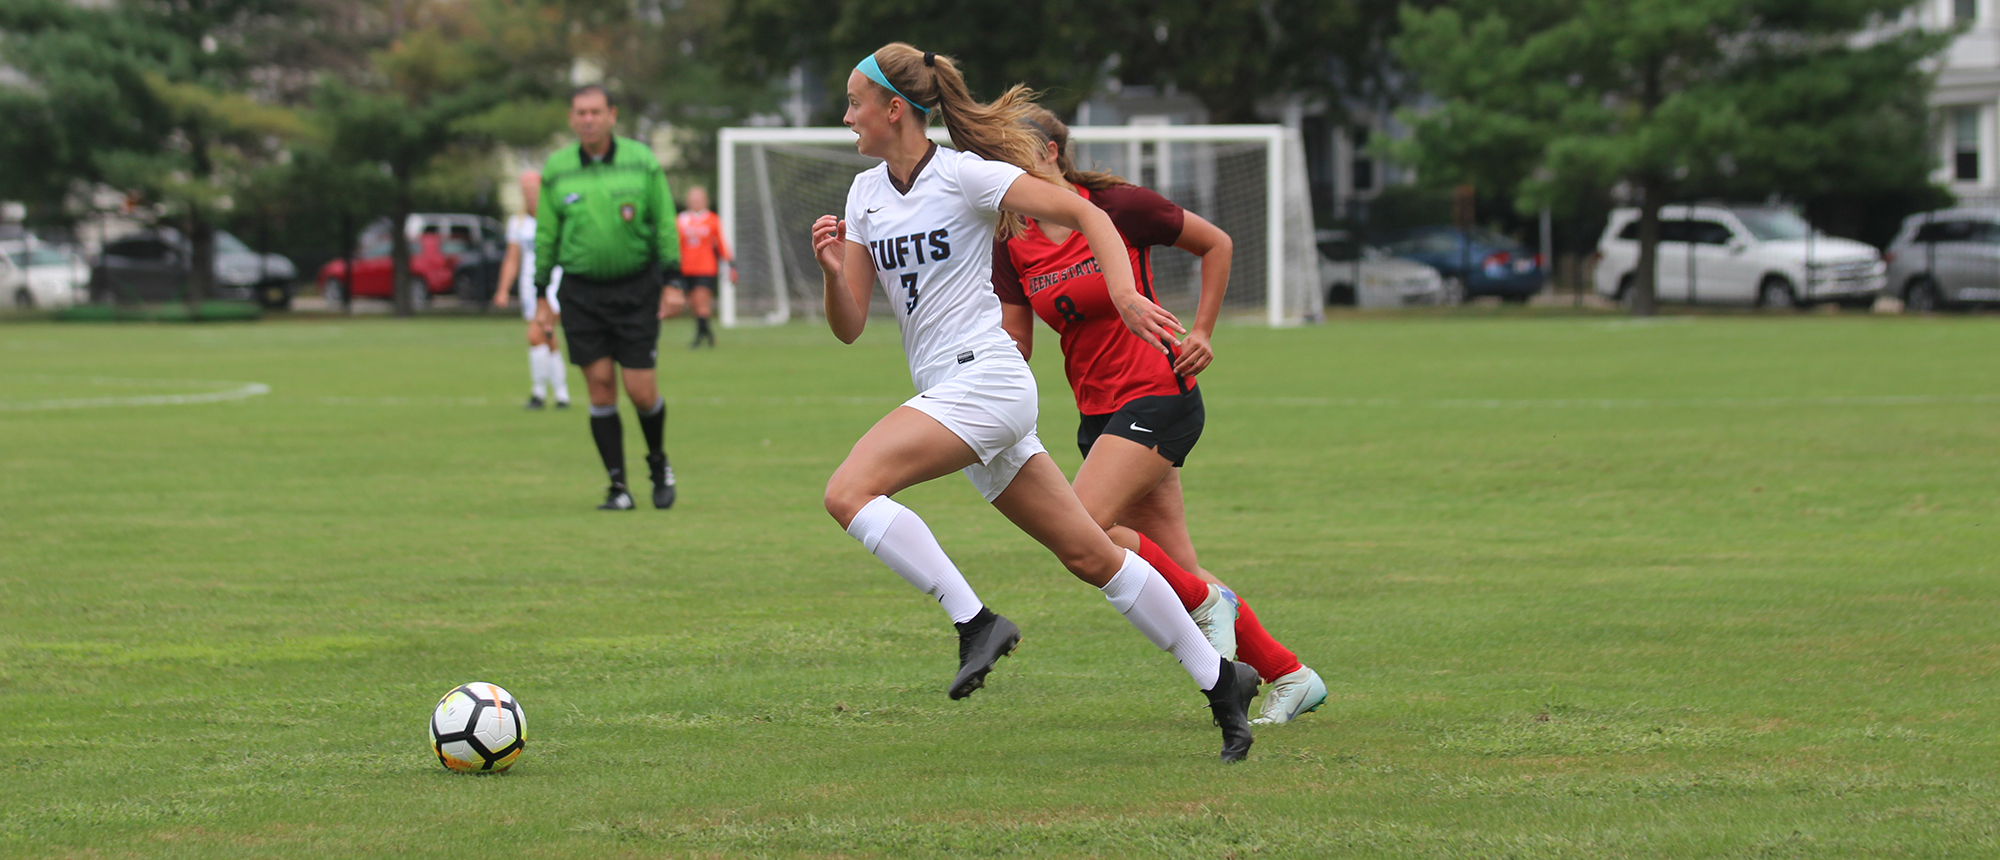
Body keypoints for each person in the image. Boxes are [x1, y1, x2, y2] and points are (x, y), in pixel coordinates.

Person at [810, 43, 1260, 762]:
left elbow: (1089, 214)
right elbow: (850, 326)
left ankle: (975, 623)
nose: (846, 116)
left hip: (987, 382)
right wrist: (836, 273)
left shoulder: (964, 174)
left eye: (854, 102)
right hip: (951, 391)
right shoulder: (864, 195)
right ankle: (1221, 681)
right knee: (1089, 553)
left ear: (894, 109)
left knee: (849, 492)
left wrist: (1124, 294)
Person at [992, 107, 1328, 725]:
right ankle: (1290, 674)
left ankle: (1208, 605)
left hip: (1157, 393)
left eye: (1013, 152)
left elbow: (1216, 243)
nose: (1004, 168)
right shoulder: (1011, 240)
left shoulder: (1116, 206)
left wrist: (1202, 330)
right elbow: (1017, 341)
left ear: (1051, 152)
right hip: (1097, 414)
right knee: (1178, 570)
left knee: (1085, 529)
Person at [533, 83, 686, 511]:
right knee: (600, 389)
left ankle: (658, 462)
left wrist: (673, 281)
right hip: (580, 294)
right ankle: (618, 487)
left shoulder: (642, 161)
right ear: (571, 118)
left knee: (640, 391)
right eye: (581, 113)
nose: (588, 119)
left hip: (636, 289)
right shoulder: (557, 169)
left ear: (612, 116)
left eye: (596, 112)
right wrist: (540, 292)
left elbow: (664, 222)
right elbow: (546, 233)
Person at [494, 170, 572, 409]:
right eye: (525, 190)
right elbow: (512, 259)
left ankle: (538, 392)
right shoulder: (518, 223)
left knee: (536, 334)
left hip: (554, 284)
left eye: (534, 189)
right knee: (547, 337)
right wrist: (503, 289)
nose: (530, 194)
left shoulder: (555, 218)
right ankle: (561, 394)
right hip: (530, 287)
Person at [675, 186, 735, 348]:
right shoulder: (681, 220)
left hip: (705, 268)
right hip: (686, 268)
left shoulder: (712, 219)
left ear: (705, 201)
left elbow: (720, 243)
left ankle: (699, 337)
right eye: (692, 199)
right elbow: (676, 244)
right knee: (694, 304)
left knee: (702, 302)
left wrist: (730, 264)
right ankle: (707, 334)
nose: (695, 202)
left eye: (698, 199)